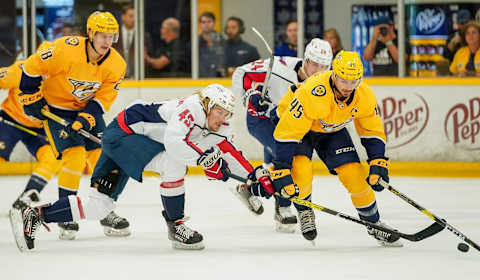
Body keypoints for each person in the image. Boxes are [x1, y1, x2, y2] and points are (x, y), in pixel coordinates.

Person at [10, 84, 273, 252]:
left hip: (129, 143)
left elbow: (228, 151)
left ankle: (36, 215)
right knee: (173, 163)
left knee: (99, 206)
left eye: (227, 113)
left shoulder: (219, 124)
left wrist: (253, 174)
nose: (223, 118)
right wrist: (203, 159)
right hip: (122, 136)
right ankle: (176, 225)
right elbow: (173, 143)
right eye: (219, 111)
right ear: (206, 105)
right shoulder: (191, 108)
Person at [253, 51, 403, 247]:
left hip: (331, 129)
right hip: (297, 127)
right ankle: (305, 209)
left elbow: (371, 130)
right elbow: (289, 131)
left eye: (354, 81)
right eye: (343, 80)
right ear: (334, 75)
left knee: (355, 175)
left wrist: (378, 161)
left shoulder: (364, 95)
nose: (349, 87)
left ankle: (374, 223)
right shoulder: (313, 92)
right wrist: (282, 167)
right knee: (301, 171)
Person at [16, 11, 130, 240]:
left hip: (87, 110)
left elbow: (103, 99)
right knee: (75, 156)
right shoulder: (64, 49)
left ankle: (105, 209)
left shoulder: (116, 64)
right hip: (56, 109)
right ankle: (64, 214)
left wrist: (83, 119)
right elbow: (31, 66)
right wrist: (29, 96)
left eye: (112, 37)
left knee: (103, 157)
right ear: (90, 33)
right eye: (103, 36)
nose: (108, 42)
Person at [232, 38, 333, 234]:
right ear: (305, 60)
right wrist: (250, 96)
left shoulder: (324, 81)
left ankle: (249, 188)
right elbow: (241, 73)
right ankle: (283, 207)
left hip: (289, 124)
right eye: (314, 64)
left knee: (275, 162)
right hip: (262, 121)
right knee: (291, 160)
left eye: (324, 66)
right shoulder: (279, 67)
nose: (318, 71)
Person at [0, 59, 61, 209]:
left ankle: (27, 196)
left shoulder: (62, 81)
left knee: (53, 156)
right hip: (10, 119)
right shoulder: (21, 69)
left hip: (39, 128)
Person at [196, 12, 225, 77]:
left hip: (220, 80)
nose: (206, 24)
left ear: (214, 23)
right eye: (203, 22)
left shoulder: (222, 42)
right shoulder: (194, 43)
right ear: (200, 24)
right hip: (199, 80)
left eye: (209, 22)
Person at [113, 5, 135, 78]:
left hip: (135, 77)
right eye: (131, 16)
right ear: (123, 17)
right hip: (117, 77)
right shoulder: (113, 35)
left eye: (135, 16)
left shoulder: (143, 36)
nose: (133, 19)